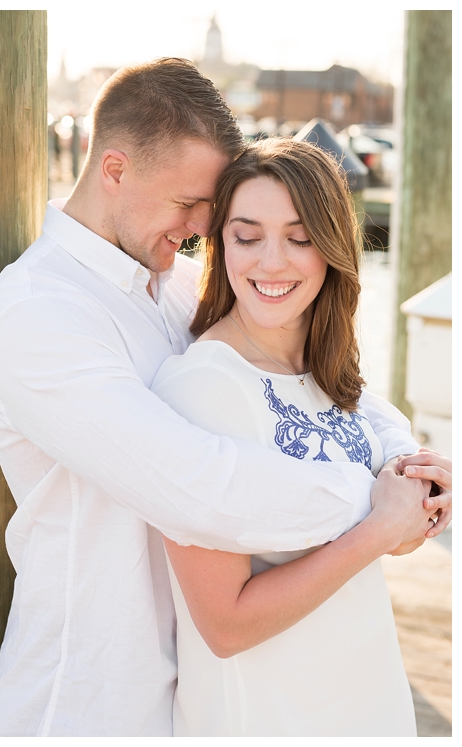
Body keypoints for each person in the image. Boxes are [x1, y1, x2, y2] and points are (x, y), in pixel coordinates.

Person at [0, 58, 452, 736]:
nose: (203, 226)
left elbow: (308, 377)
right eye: (189, 203)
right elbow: (202, 485)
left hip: (194, 686)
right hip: (92, 695)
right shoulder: (40, 315)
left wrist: (405, 458)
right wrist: (376, 506)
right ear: (114, 170)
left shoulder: (169, 282)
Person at [152, 138, 449, 736]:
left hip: (368, 703)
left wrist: (424, 497)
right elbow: (225, 625)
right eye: (247, 235)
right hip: (268, 719)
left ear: (333, 247)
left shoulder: (329, 374)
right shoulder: (204, 388)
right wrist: (378, 530)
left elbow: (397, 532)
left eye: (300, 237)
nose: (271, 262)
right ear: (219, 244)